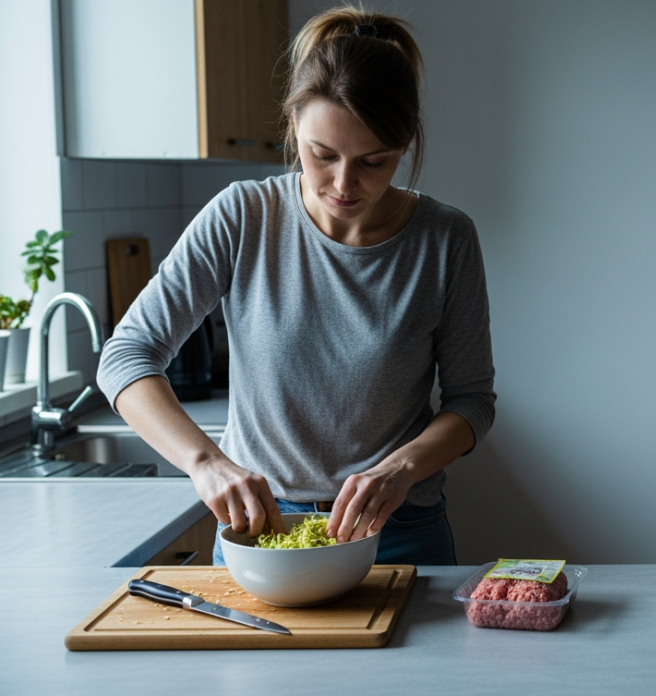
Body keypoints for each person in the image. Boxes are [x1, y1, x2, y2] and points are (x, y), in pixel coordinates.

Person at [97, 7, 495, 565]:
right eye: (322, 155)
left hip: (399, 528)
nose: (343, 183)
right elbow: (126, 355)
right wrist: (206, 462)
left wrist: (403, 467)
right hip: (262, 533)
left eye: (373, 162)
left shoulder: (445, 238)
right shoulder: (242, 216)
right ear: (292, 129)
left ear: (404, 146)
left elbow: (472, 400)